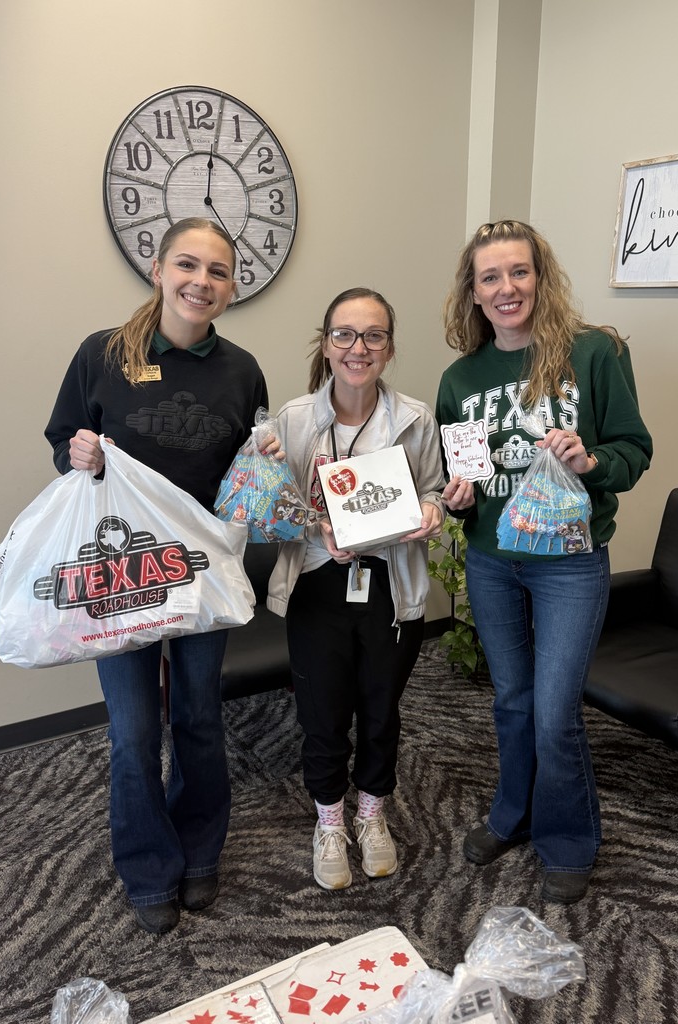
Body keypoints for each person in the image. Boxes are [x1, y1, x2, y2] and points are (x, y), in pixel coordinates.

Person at [45, 217, 273, 934]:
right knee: (135, 731)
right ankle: (149, 869)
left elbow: (248, 479)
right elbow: (62, 441)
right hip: (123, 575)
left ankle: (200, 852)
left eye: (217, 272)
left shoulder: (242, 370)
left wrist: (268, 456)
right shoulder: (102, 355)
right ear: (157, 268)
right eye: (187, 264)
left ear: (232, 288)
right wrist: (76, 452)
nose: (200, 282)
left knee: (200, 718)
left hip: (202, 573)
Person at [436, 220, 652, 904]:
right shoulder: (462, 378)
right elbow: (466, 484)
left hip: (568, 563)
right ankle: (515, 812)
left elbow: (633, 449)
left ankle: (569, 839)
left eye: (519, 272)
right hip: (493, 561)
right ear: (473, 291)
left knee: (556, 711)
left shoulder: (593, 354)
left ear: (542, 276)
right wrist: (457, 498)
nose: (507, 288)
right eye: (491, 277)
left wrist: (591, 462)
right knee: (512, 701)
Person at [267, 288, 446, 890]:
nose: (358, 348)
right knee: (322, 716)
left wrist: (433, 509)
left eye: (373, 336)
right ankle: (329, 821)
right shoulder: (291, 422)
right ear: (325, 344)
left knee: (379, 710)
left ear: (389, 348)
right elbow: (264, 507)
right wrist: (314, 524)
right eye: (344, 334)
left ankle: (372, 816)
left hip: (391, 586)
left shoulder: (416, 420)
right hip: (318, 583)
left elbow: (435, 488)